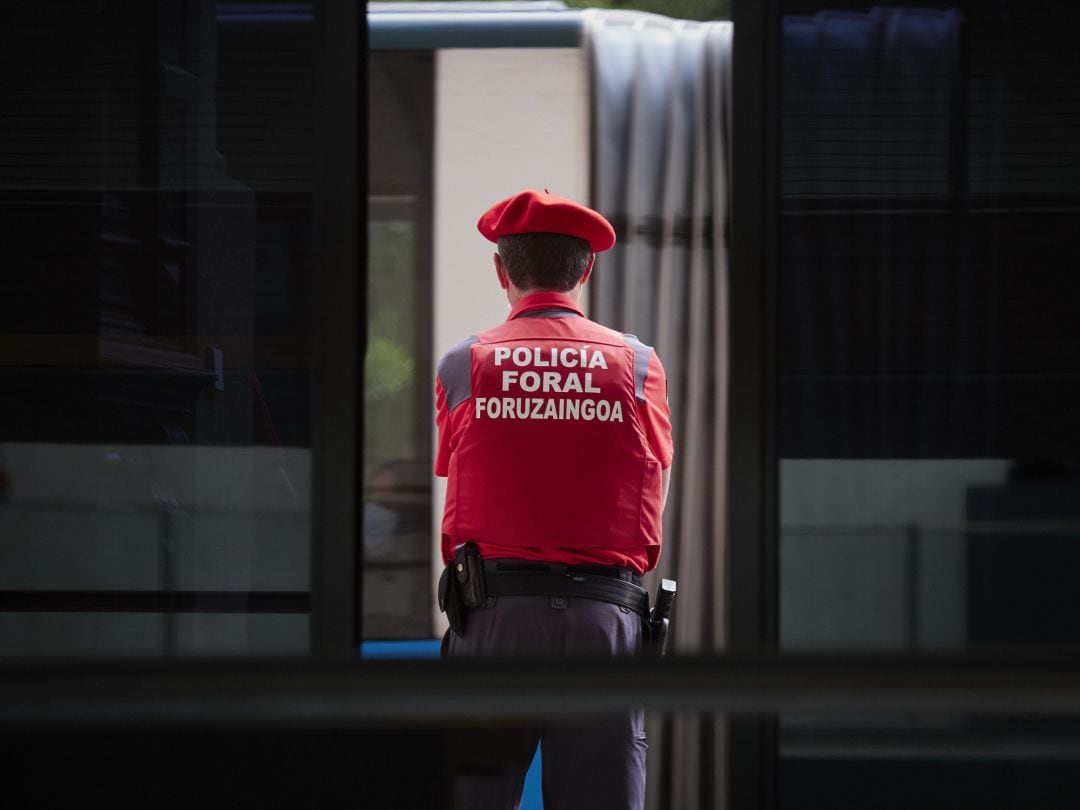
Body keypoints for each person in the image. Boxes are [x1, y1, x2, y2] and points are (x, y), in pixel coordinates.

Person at [433, 189, 674, 810]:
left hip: (492, 619)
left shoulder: (464, 364)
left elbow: (457, 471)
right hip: (603, 621)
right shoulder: (639, 364)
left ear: (501, 269)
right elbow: (655, 487)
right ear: (586, 269)